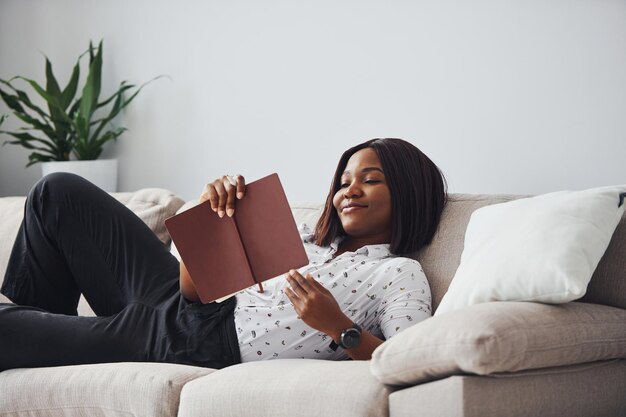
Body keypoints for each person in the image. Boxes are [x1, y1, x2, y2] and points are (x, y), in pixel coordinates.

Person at [0, 138, 447, 371]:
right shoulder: (307, 236)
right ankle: (37, 336)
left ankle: (31, 336)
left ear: (407, 193)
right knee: (56, 192)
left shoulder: (398, 273)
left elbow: (410, 363)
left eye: (370, 180)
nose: (349, 190)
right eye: (345, 180)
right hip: (182, 305)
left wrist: (339, 328)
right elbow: (193, 293)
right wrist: (211, 219)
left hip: (199, 343)